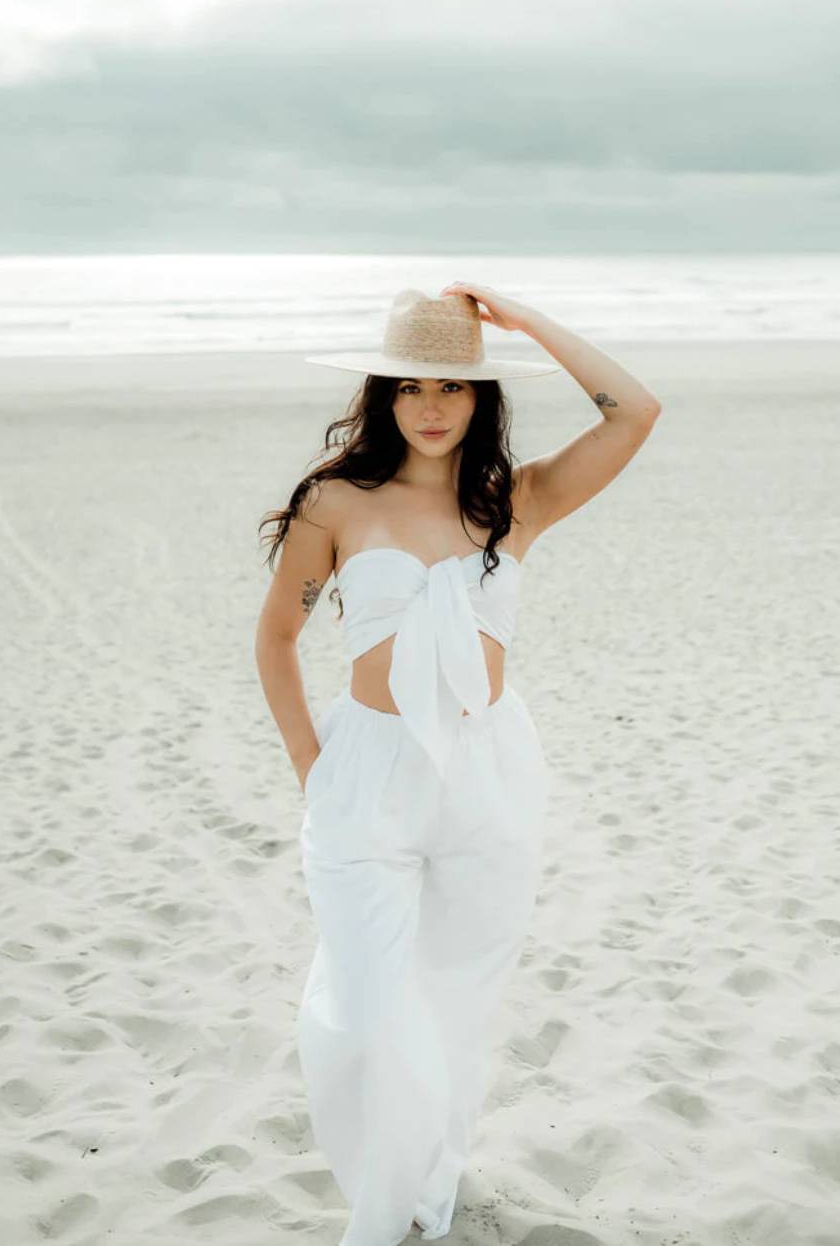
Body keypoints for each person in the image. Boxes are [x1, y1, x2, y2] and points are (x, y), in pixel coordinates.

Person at [255, 282, 661, 1244]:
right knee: (364, 1009)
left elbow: (636, 411)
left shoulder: (514, 501)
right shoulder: (337, 500)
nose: (432, 406)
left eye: (455, 386)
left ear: (482, 399)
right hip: (367, 771)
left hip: (488, 774)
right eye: (411, 387)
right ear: (383, 396)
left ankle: (411, 1202)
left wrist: (523, 320)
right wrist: (314, 767)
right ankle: (383, 1192)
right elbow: (275, 640)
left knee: (452, 1000)